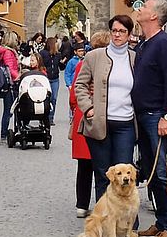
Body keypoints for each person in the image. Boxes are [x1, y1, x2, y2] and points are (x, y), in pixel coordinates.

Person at [132, 0, 167, 237]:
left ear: (154, 17)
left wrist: (166, 115)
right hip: (144, 115)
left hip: (158, 115)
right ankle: (162, 223)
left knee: (165, 171)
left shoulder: (164, 43)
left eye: (145, 7)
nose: (139, 9)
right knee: (153, 173)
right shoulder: (145, 43)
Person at [74, 15, 137, 206]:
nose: (117, 35)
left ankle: (128, 223)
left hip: (125, 123)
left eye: (122, 31)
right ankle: (105, 220)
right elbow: (80, 85)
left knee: (125, 175)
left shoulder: (135, 58)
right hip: (99, 123)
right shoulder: (94, 56)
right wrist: (89, 109)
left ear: (129, 35)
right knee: (103, 174)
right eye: (114, 31)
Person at [69, 31, 109, 217]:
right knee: (103, 165)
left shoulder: (81, 65)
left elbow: (74, 95)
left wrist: (76, 109)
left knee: (84, 166)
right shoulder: (109, 65)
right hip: (101, 116)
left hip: (83, 116)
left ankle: (82, 205)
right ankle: (104, 204)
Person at [0, 32, 21, 142]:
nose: (17, 42)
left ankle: (7, 131)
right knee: (8, 110)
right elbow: (9, 68)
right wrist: (18, 76)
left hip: (11, 83)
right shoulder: (8, 53)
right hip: (11, 84)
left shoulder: (8, 52)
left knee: (9, 109)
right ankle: (4, 133)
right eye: (16, 40)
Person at [40, 36, 61, 124]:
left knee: (54, 98)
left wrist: (62, 62)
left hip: (55, 78)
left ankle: (50, 118)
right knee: (45, 99)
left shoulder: (58, 54)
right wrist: (51, 56)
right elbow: (42, 64)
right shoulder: (43, 53)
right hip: (45, 78)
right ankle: (43, 118)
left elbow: (60, 66)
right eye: (56, 43)